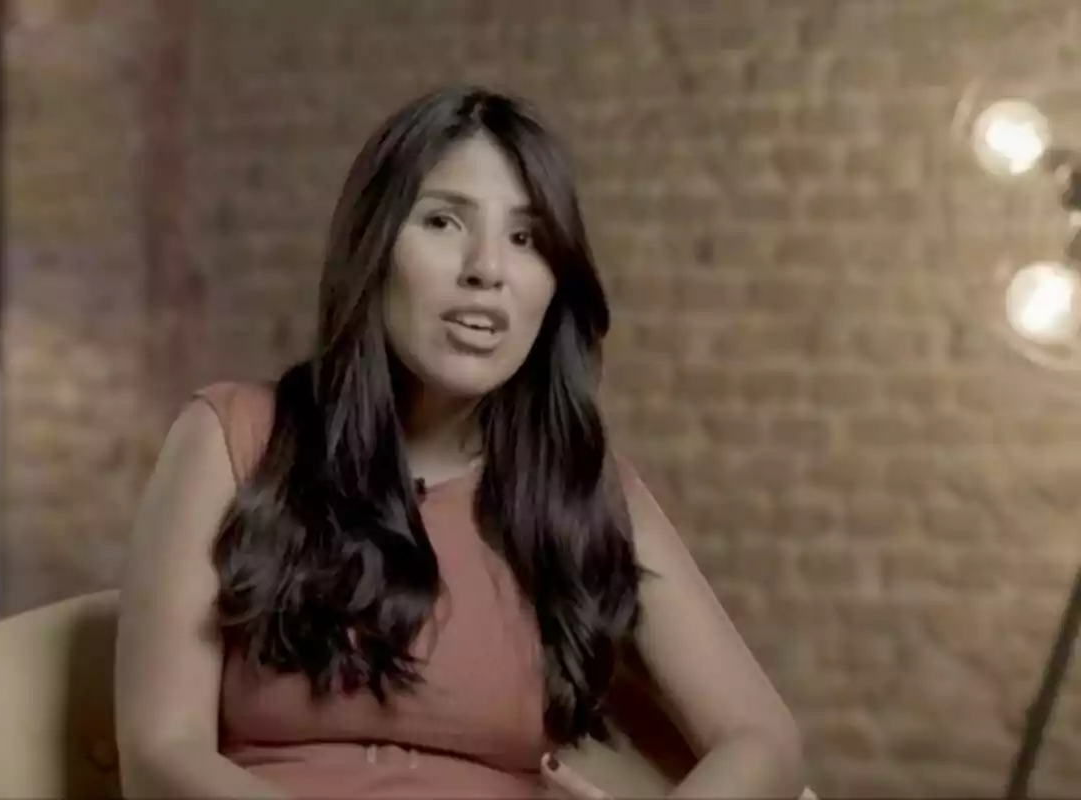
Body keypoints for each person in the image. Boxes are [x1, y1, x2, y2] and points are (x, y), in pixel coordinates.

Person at [114, 85, 805, 799]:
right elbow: (160, 753)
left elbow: (764, 740)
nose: (487, 269)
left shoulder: (579, 488)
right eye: (444, 221)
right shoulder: (233, 441)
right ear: (374, 246)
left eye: (526, 237)